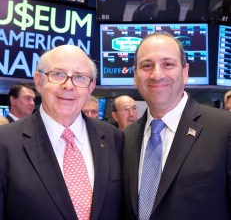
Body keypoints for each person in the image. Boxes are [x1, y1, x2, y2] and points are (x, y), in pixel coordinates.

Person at [0, 45, 124, 220]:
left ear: (90, 87)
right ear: (38, 81)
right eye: (57, 74)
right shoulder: (4, 143)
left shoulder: (114, 138)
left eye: (80, 77)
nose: (68, 86)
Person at [123, 32, 231, 220]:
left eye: (168, 64)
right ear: (135, 75)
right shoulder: (126, 138)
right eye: (147, 66)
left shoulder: (225, 129)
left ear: (185, 71)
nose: (157, 75)